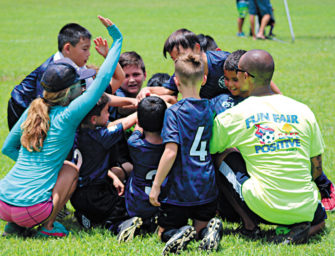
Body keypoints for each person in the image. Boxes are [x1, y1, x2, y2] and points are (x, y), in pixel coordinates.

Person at [0, 16, 122, 237]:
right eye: (79, 85)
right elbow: (103, 80)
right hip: (31, 210)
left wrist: (35, 166)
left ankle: (15, 226)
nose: (83, 88)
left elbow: (7, 148)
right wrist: (117, 40)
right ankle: (47, 228)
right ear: (68, 92)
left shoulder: (33, 109)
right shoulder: (68, 115)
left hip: (3, 202)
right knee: (70, 170)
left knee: (61, 168)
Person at [210, 49, 327, 244]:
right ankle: (300, 231)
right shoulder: (303, 110)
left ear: (244, 76)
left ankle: (249, 225)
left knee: (223, 155)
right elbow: (316, 166)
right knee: (321, 220)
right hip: (304, 207)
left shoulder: (235, 115)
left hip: (263, 207)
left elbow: (212, 149)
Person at [149, 53, 223, 255]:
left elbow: (170, 152)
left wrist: (156, 186)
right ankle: (206, 232)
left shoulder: (174, 112)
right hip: (206, 186)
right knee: (201, 229)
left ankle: (177, 232)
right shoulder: (210, 108)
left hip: (179, 189)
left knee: (163, 231)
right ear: (204, 79)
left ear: (175, 81)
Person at [7, 21, 124, 130]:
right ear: (67, 48)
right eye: (84, 49)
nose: (88, 54)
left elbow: (105, 90)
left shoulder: (77, 66)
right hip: (23, 112)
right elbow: (44, 114)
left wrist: (108, 55)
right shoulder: (52, 74)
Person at [70, 93, 142, 242]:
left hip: (77, 194)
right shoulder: (102, 137)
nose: (109, 114)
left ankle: (84, 217)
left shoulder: (76, 132)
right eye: (107, 111)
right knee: (123, 205)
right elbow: (126, 123)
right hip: (96, 193)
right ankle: (115, 226)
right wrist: (143, 109)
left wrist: (112, 176)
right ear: (94, 119)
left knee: (95, 208)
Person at [137, 28, 231, 100]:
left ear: (197, 48)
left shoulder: (223, 61)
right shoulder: (184, 69)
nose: (178, 63)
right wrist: (147, 89)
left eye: (181, 55)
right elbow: (168, 89)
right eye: (174, 60)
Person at [125, 96, 167, 233]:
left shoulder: (134, 143)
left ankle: (138, 222)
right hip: (163, 203)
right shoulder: (170, 146)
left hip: (137, 204)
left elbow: (137, 128)